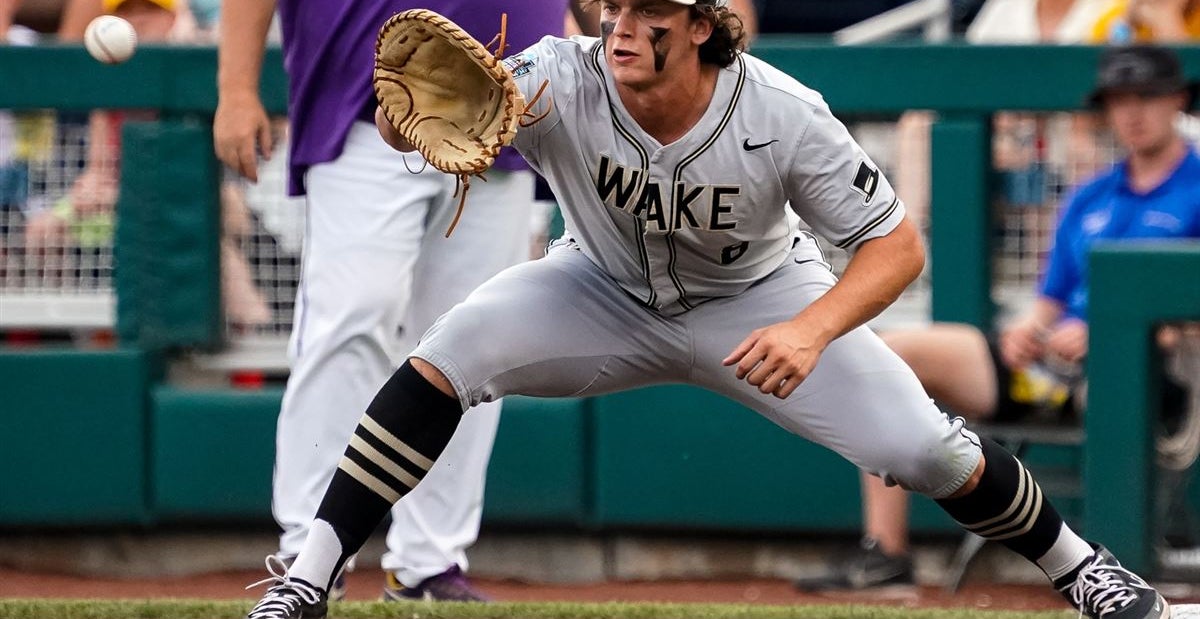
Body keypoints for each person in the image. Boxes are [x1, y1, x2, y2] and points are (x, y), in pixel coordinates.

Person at [243, 3, 1199, 618]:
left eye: (648, 11)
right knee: (446, 355)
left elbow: (898, 247)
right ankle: (308, 574)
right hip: (596, 288)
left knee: (924, 447)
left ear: (701, 26)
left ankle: (1090, 574)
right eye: (611, 4)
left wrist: (813, 326)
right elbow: (502, 98)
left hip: (758, 300)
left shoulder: (780, 109)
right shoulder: (559, 72)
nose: (619, 26)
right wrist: (481, 114)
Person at [802, 43, 1200, 593]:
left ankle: (1116, 566)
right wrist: (1026, 332)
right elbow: (1049, 299)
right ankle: (886, 557)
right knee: (894, 350)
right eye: (1120, 99)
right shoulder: (1091, 196)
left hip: (1154, 370)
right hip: (1054, 366)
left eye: (1148, 97)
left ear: (1178, 99)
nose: (1133, 112)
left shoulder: (1196, 185)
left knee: (1117, 364)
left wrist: (1124, 331)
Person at [214, 0, 566, 602]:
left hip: (503, 110)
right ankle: (307, 555)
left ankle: (428, 563)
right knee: (351, 319)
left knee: (475, 346)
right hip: (365, 99)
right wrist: (237, 87)